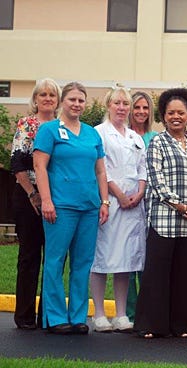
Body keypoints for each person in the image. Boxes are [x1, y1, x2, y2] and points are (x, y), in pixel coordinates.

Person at [133, 88, 187, 338]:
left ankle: (182, 325)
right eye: (170, 113)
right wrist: (179, 206)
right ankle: (151, 325)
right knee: (158, 273)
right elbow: (156, 181)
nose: (176, 117)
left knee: (185, 275)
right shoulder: (157, 142)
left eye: (181, 113)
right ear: (164, 116)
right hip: (164, 221)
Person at [33, 81, 109, 334]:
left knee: (83, 262)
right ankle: (55, 318)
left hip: (89, 206)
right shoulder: (49, 130)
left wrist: (105, 201)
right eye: (72, 99)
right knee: (55, 261)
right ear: (62, 102)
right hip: (60, 206)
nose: (77, 104)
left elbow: (100, 170)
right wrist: (46, 200)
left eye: (81, 100)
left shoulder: (91, 133)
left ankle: (78, 316)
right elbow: (40, 166)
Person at [90, 87, 147, 333]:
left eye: (126, 103)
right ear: (108, 105)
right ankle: (100, 313)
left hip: (135, 205)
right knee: (102, 258)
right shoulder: (98, 134)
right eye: (117, 103)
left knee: (126, 260)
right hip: (111, 203)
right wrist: (120, 195)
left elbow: (143, 167)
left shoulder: (134, 137)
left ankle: (121, 314)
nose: (122, 107)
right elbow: (101, 168)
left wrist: (141, 191)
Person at [10, 78, 61, 330]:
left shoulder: (63, 127)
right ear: (35, 98)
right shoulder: (27, 125)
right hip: (29, 198)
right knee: (30, 257)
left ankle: (49, 316)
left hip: (57, 199)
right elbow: (17, 164)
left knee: (53, 258)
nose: (48, 98)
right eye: (43, 94)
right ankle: (25, 316)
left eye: (52, 94)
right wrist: (34, 195)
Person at [125, 91, 158, 323]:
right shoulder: (122, 136)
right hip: (126, 203)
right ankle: (129, 311)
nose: (141, 112)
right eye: (137, 107)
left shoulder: (155, 138)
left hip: (151, 204)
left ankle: (145, 311)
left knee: (147, 260)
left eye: (145, 108)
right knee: (127, 257)